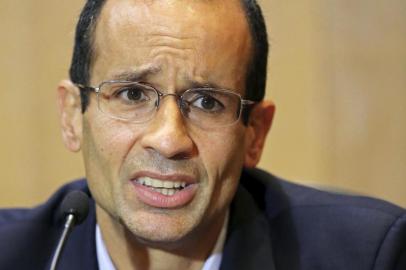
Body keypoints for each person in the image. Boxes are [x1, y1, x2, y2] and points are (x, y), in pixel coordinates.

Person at [0, 0, 405, 269]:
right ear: (73, 116)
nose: (169, 139)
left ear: (255, 135)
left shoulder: (365, 257)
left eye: (207, 102)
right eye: (133, 94)